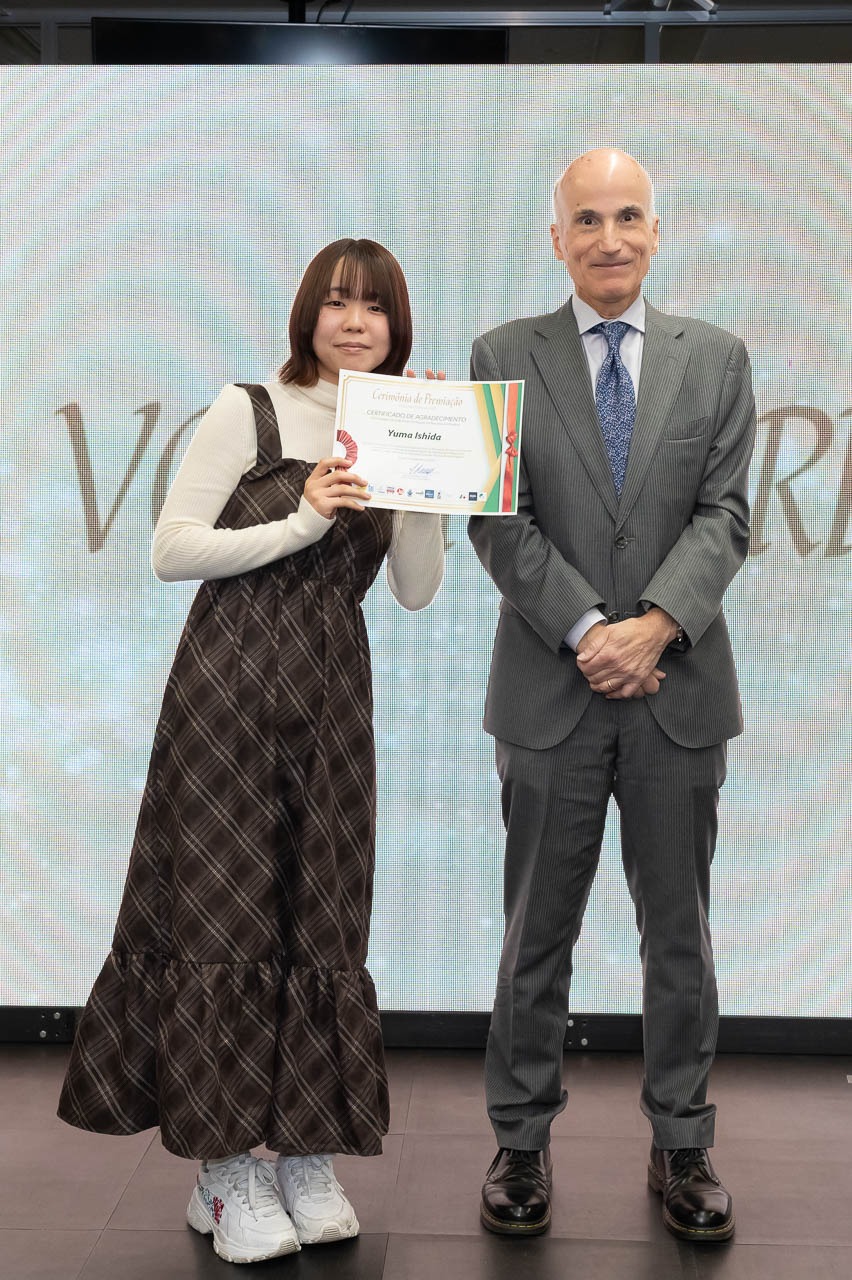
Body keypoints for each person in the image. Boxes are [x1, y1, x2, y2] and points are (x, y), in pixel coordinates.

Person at [58, 238, 444, 1265]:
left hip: (333, 694)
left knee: (324, 911)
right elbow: (171, 547)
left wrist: (430, 471)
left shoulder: (397, 422)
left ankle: (304, 1153)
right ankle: (223, 1168)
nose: (356, 322)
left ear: (398, 326)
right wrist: (302, 521)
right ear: (308, 313)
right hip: (228, 684)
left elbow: (416, 589)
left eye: (376, 307)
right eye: (338, 302)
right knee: (221, 912)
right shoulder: (252, 410)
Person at [468, 150, 755, 1242]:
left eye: (628, 215)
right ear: (557, 238)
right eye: (586, 219)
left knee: (679, 936)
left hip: (679, 689)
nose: (610, 237)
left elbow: (725, 516)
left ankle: (683, 1142)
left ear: (656, 229)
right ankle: (520, 1142)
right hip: (553, 690)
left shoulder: (716, 358)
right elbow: (497, 519)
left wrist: (656, 624)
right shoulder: (502, 355)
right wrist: (592, 629)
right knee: (534, 933)